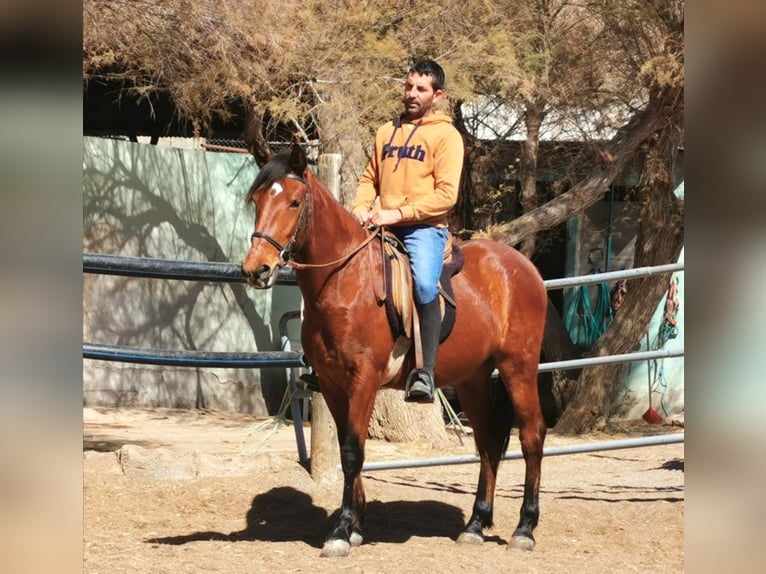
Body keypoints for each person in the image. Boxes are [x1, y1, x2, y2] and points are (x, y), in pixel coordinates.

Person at [351, 59, 464, 403]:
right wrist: (360, 206)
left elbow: (446, 195)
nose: (412, 94)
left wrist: (398, 213)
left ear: (438, 95)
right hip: (381, 221)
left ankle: (425, 372)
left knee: (426, 284)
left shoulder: (446, 136)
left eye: (421, 89)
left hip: (423, 228)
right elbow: (369, 178)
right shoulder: (386, 131)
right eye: (408, 86)